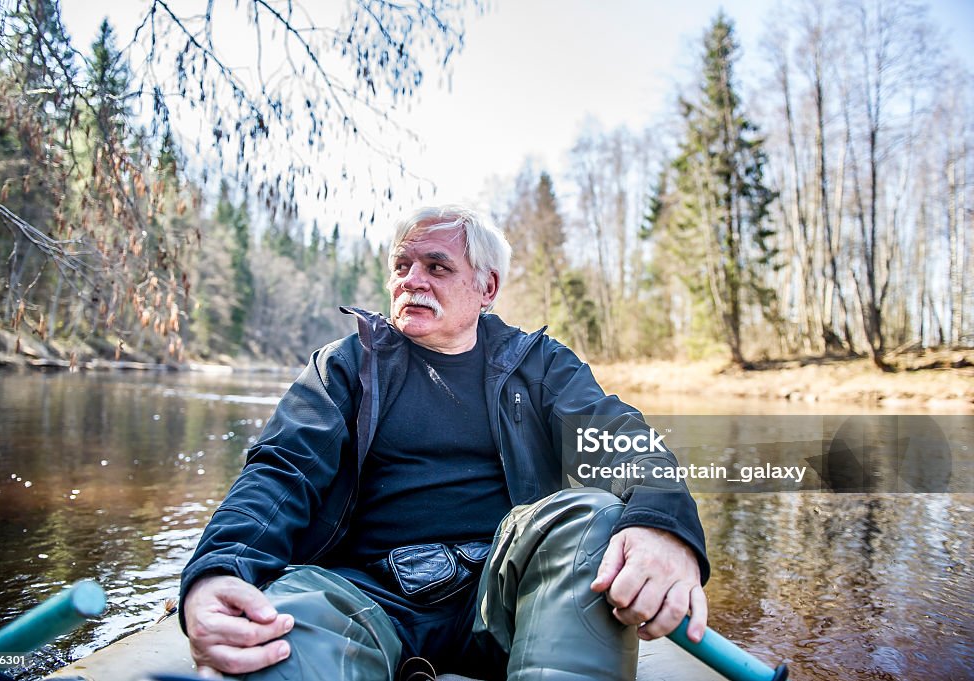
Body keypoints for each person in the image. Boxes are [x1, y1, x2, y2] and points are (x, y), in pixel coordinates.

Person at [179, 206, 710, 681]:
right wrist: (217, 569)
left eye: (437, 267)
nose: (412, 281)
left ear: (487, 288)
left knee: (590, 513)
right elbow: (279, 472)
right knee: (283, 627)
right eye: (402, 266)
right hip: (360, 593)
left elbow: (621, 440)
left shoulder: (540, 365)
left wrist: (662, 522)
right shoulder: (344, 366)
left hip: (503, 596)